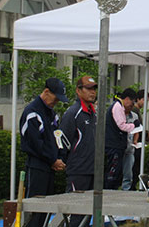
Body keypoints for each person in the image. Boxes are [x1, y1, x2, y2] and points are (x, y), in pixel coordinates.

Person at [19, 78, 68, 227]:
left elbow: (57, 138)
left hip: (49, 167)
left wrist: (60, 157)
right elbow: (35, 144)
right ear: (46, 92)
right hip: (37, 166)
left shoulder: (52, 114)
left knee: (46, 209)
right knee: (35, 209)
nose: (56, 102)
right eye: (55, 98)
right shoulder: (32, 113)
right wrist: (52, 160)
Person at [59, 76, 97, 227]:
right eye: (88, 88)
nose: (92, 92)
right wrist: (64, 160)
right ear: (78, 91)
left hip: (93, 171)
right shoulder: (73, 112)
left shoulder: (94, 113)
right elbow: (62, 141)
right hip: (78, 170)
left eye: (94, 88)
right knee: (77, 214)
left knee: (88, 213)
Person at [104, 88, 139, 189]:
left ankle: (111, 190)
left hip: (117, 145)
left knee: (117, 172)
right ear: (127, 99)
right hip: (114, 145)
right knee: (113, 172)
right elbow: (122, 126)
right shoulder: (118, 107)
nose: (131, 107)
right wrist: (134, 126)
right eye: (131, 104)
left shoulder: (119, 107)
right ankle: (109, 192)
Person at [131, 90, 149, 190]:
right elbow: (137, 127)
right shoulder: (134, 111)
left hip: (139, 142)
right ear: (137, 99)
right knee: (135, 167)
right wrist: (147, 134)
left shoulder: (137, 111)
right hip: (135, 143)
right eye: (143, 100)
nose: (144, 103)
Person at [122, 104, 139, 190]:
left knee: (128, 172)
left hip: (130, 147)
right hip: (120, 146)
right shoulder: (120, 114)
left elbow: (137, 130)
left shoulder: (135, 116)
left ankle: (126, 188)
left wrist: (135, 141)